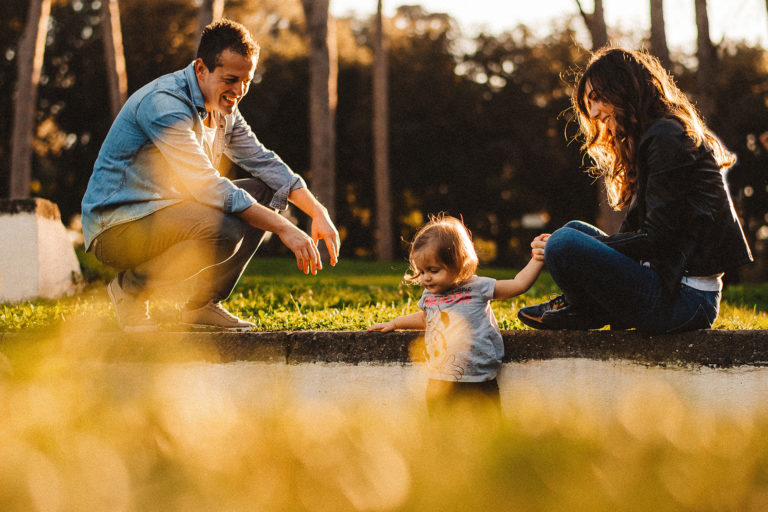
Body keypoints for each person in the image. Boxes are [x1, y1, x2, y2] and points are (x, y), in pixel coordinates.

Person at [81, 19, 340, 332]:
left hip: (170, 214)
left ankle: (202, 305)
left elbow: (262, 161)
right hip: (117, 227)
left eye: (246, 81)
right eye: (231, 79)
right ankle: (130, 290)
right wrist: (286, 228)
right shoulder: (164, 104)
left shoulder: (223, 106)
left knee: (264, 190)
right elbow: (207, 187)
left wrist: (317, 211)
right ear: (201, 68)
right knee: (223, 232)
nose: (240, 91)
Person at [518, 47, 752, 333]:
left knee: (564, 242)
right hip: (671, 288)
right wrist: (584, 248)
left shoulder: (666, 137)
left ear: (623, 89)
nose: (593, 113)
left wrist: (572, 249)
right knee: (574, 230)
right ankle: (583, 308)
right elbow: (645, 237)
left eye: (596, 98)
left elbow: (658, 238)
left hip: (687, 301)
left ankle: (583, 309)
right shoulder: (655, 135)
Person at [368, 215, 547, 413]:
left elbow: (519, 284)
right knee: (442, 435)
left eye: (433, 270)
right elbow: (427, 318)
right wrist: (395, 323)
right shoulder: (429, 295)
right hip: (440, 381)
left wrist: (538, 258)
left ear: (458, 262)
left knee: (485, 432)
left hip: (479, 380)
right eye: (421, 271)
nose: (426, 277)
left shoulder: (478, 287)